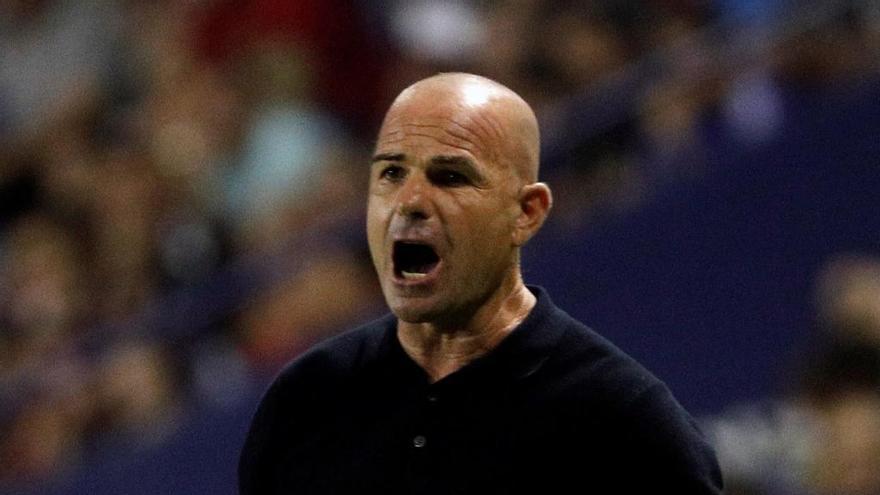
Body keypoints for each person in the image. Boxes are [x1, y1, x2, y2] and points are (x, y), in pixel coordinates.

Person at [238, 73, 723, 493]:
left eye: (450, 176)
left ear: (526, 212)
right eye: (391, 173)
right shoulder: (305, 402)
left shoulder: (625, 426)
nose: (409, 201)